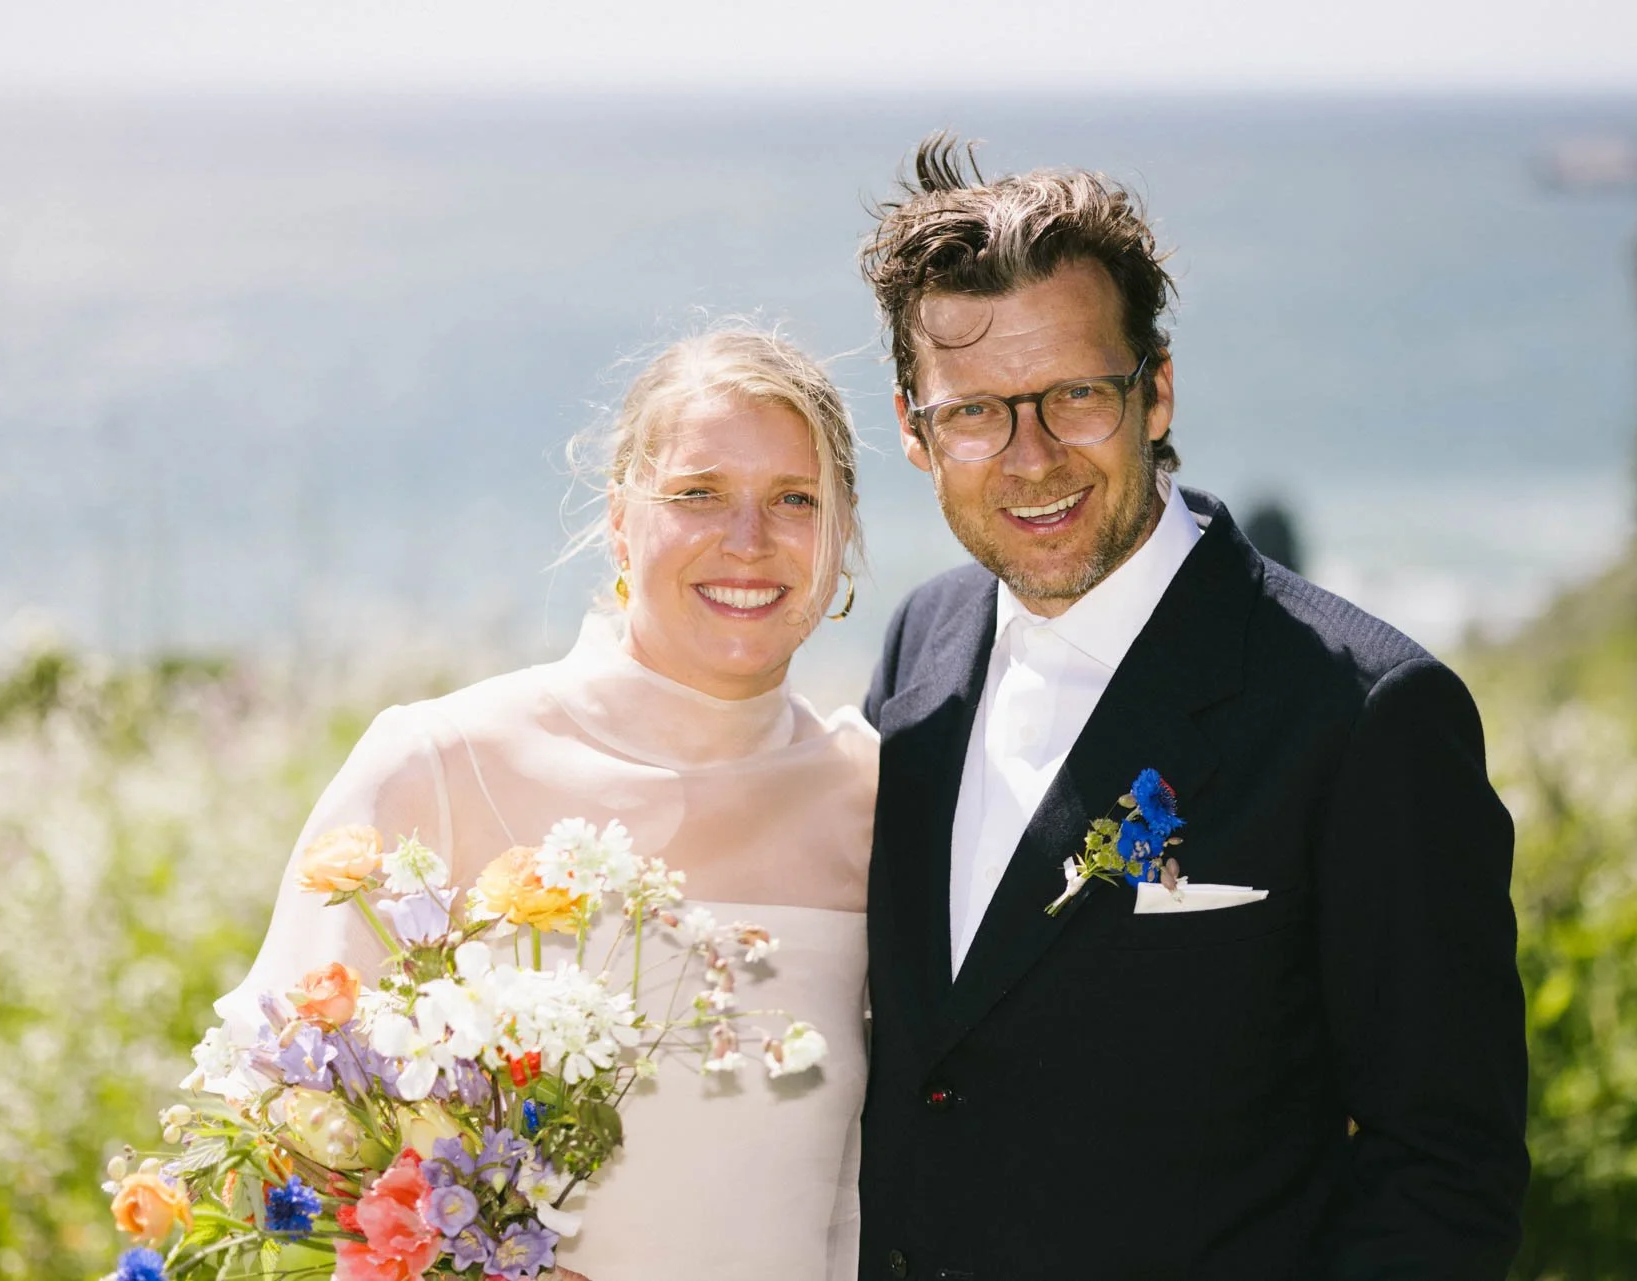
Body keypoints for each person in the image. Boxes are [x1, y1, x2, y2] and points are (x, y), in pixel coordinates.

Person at [855, 137, 1529, 1279]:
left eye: (1075, 395)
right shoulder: (921, 644)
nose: (1031, 459)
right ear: (916, 431)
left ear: (1156, 387)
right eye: (975, 414)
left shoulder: (1368, 716)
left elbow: (1446, 1171)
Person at [221, 327, 877, 1281]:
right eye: (698, 494)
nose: (749, 539)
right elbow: (269, 1123)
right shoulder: (441, 763)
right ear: (620, 518)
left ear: (842, 531)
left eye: (795, 499)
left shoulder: (880, 794)